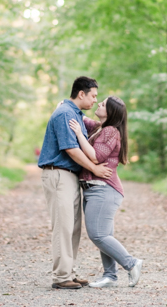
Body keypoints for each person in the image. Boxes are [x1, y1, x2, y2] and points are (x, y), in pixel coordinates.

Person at [38, 76, 113, 290]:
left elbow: (102, 129)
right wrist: (95, 168)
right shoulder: (65, 114)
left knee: (73, 227)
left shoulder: (75, 114)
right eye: (93, 96)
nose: (94, 101)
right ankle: (61, 276)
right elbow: (71, 149)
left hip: (70, 176)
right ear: (81, 93)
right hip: (58, 173)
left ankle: (68, 271)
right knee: (63, 226)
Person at [68, 95, 143, 288]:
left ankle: (131, 263)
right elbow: (85, 120)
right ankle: (110, 275)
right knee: (105, 234)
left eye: (102, 104)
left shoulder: (110, 131)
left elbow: (95, 157)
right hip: (95, 189)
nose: (98, 104)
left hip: (104, 190)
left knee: (98, 235)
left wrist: (78, 134)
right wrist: (68, 105)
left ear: (110, 112)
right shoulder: (101, 128)